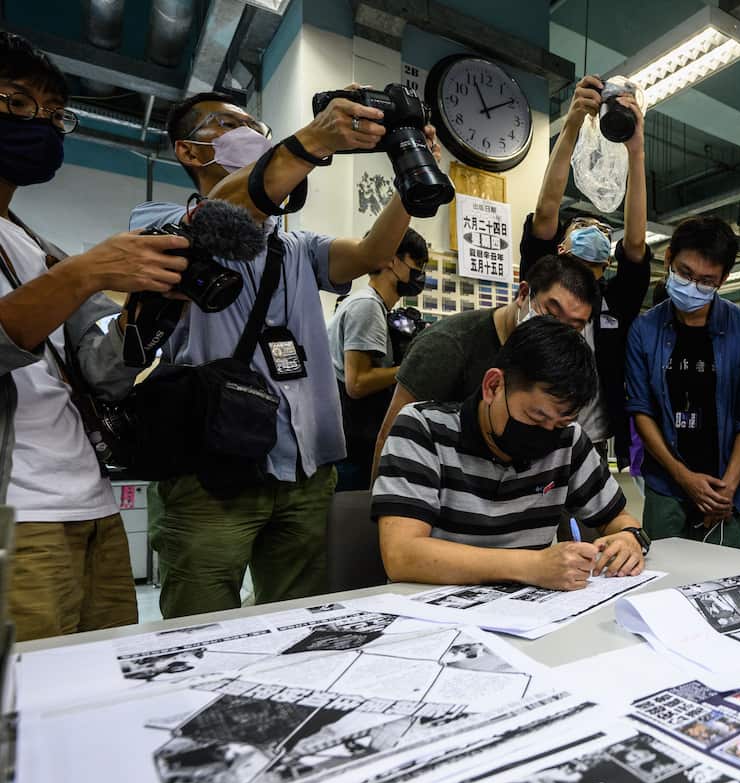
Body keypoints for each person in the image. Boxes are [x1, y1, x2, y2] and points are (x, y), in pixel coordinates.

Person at [130, 89, 431, 617]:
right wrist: (314, 138)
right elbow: (216, 222)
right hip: (212, 474)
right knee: (199, 630)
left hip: (304, 472)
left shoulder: (296, 247)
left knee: (295, 620)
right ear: (189, 151)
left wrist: (411, 181)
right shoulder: (160, 227)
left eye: (258, 128)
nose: (252, 133)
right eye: (229, 124)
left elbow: (371, 255)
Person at [0, 33, 193, 640]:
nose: (41, 124)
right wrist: (89, 271)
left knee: (101, 686)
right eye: (15, 102)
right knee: (25, 710)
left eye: (55, 114)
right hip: (18, 519)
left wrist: (145, 311)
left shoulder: (36, 247)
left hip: (90, 504)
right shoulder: (67, 266)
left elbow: (102, 371)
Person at [374, 316, 646, 588]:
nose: (545, 434)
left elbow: (619, 518)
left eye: (560, 422)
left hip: (529, 615)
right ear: (493, 386)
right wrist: (533, 565)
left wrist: (628, 538)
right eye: (535, 417)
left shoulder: (567, 440)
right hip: (433, 611)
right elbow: (401, 555)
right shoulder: (423, 429)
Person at [520, 75, 652, 471]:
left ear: (606, 264)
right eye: (580, 228)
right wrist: (574, 123)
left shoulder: (613, 300)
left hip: (590, 443)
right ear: (561, 246)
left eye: (601, 232)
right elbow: (546, 210)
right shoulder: (543, 277)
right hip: (532, 429)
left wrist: (636, 152)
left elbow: (635, 243)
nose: (593, 232)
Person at [371, 253, 598, 473]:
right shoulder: (446, 347)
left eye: (574, 326)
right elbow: (392, 439)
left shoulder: (560, 364)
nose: (557, 331)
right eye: (551, 313)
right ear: (524, 294)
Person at [626, 215, 740, 548]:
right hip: (666, 483)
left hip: (725, 485)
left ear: (723, 279)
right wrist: (683, 477)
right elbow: (641, 410)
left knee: (722, 584)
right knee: (661, 582)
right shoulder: (644, 330)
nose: (693, 287)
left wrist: (728, 489)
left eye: (706, 281)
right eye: (685, 273)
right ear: (669, 259)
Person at [327, 228, 428, 491]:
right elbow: (357, 383)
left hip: (353, 443)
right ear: (393, 261)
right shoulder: (367, 306)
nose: (420, 274)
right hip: (351, 449)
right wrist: (411, 368)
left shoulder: (372, 305)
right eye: (417, 265)